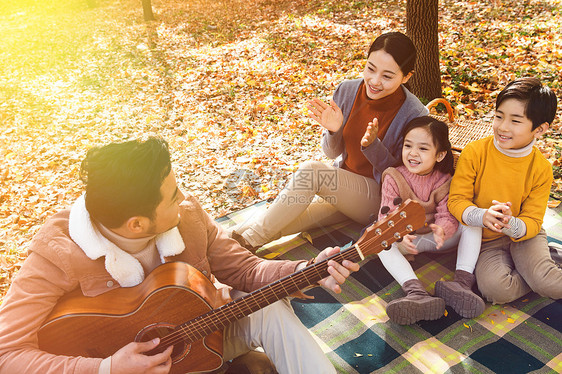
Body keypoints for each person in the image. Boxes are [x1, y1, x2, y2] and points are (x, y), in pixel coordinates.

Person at [0, 137, 360, 374]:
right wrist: (107, 368)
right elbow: (7, 353)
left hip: (198, 336)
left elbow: (245, 269)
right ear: (137, 224)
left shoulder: (187, 216)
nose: (184, 198)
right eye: (172, 195)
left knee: (269, 309)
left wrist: (306, 269)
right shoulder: (57, 251)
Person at [230, 31, 429, 250]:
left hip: (378, 198)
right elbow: (332, 154)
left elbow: (405, 178)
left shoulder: (415, 114)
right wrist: (334, 131)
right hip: (343, 188)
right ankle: (232, 243)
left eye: (387, 76)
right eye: (370, 69)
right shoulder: (347, 90)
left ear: (407, 77)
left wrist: (374, 147)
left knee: (312, 172)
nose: (374, 81)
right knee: (285, 215)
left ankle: (249, 241)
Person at [448, 77, 562, 304]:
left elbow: (532, 221)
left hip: (524, 236)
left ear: (539, 129)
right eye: (499, 116)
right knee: (495, 290)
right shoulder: (475, 152)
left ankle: (539, 273)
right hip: (487, 239)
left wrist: (510, 223)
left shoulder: (541, 169)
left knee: (549, 283)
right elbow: (456, 201)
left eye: (515, 121)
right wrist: (483, 216)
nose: (502, 127)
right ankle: (537, 272)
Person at [376, 116, 484, 325]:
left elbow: (447, 214)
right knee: (380, 241)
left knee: (472, 219)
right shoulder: (393, 176)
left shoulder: (445, 180)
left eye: (423, 149)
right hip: (408, 241)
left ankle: (461, 283)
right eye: (408, 146)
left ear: (440, 154)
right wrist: (399, 235)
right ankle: (416, 293)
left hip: (438, 239)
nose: (413, 153)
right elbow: (387, 215)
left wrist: (442, 229)